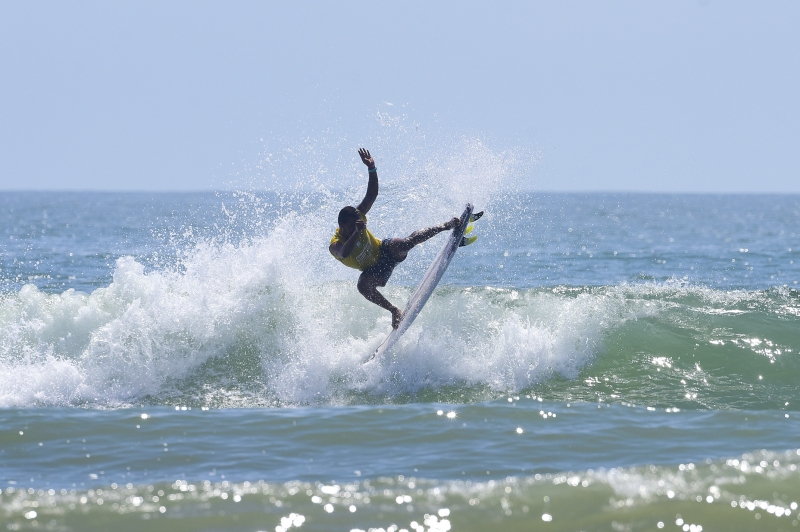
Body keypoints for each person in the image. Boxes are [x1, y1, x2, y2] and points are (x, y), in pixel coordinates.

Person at [329, 148, 460, 329]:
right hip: (375, 272)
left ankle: (446, 225)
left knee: (403, 242)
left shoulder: (357, 217)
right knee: (362, 286)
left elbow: (372, 195)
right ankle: (394, 310)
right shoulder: (335, 244)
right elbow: (344, 253)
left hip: (385, 251)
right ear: (343, 226)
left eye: (358, 223)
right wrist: (357, 233)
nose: (358, 225)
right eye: (352, 226)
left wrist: (372, 168)